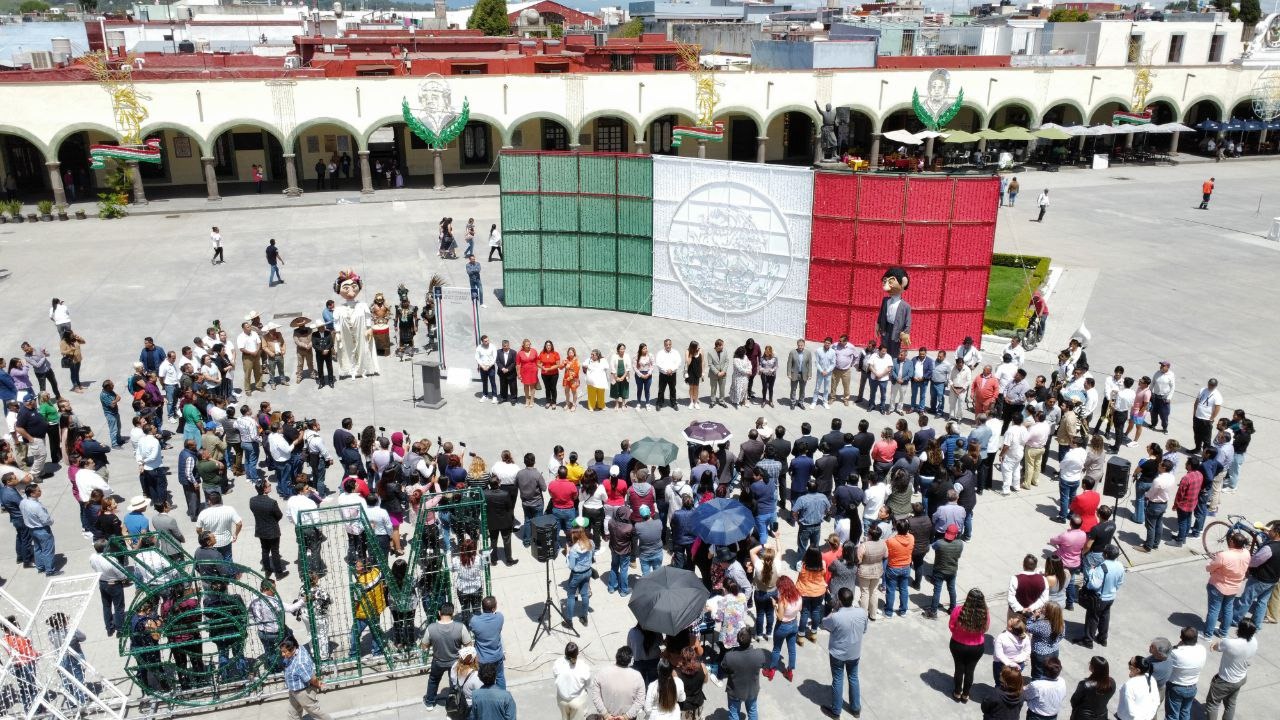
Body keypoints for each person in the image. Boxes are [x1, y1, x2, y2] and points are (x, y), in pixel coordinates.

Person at [821, 587, 868, 719]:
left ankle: (836, 711)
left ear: (840, 601)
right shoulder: (862, 613)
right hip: (854, 652)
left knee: (838, 679)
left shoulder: (836, 616)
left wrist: (833, 610)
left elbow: (825, 623)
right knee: (853, 677)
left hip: (838, 654)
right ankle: (855, 708)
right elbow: (864, 630)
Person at [1203, 618, 1256, 720]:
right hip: (1241, 678)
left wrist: (1215, 644)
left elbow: (1216, 647)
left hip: (1225, 681)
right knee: (1230, 703)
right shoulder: (1254, 642)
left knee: (1212, 704)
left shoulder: (1230, 643)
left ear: (1239, 630)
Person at [423, 602, 473, 709]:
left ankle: (429, 702)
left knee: (433, 680)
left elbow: (424, 646)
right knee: (454, 684)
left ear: (439, 613)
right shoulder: (460, 627)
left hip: (438, 661)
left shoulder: (431, 628)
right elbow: (469, 644)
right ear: (452, 613)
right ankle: (453, 705)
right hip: (455, 662)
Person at [1204, 530, 1250, 638]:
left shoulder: (1224, 555)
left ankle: (1208, 634)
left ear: (1232, 542)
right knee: (1228, 609)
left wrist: (1212, 563)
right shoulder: (1246, 553)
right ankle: (1223, 633)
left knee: (1214, 610)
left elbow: (1209, 567)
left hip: (1218, 586)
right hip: (1234, 587)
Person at [1077, 544, 1124, 649]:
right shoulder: (1120, 565)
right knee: (1105, 617)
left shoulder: (1102, 568)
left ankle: (1088, 640)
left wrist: (1092, 571)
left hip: (1099, 598)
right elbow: (1120, 582)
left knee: (1092, 618)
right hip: (1111, 597)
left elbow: (1093, 585)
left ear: (1106, 554)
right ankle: (1102, 638)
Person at [721, 628, 769, 720]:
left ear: (738, 641)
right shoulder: (759, 654)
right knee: (752, 711)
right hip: (752, 690)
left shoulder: (729, 656)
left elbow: (724, 669)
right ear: (751, 639)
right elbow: (763, 664)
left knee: (734, 713)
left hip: (735, 691)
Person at [281, 637, 333, 720]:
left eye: (285, 652)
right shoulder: (299, 648)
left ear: (293, 648)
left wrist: (320, 685)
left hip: (302, 692)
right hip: (294, 689)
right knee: (293, 712)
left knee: (315, 711)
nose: (283, 655)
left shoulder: (300, 664)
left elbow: (311, 679)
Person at [590, 646, 645, 720]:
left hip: (608, 717)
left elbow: (595, 696)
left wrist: (605, 714)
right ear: (630, 660)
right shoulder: (637, 676)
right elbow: (640, 701)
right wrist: (626, 716)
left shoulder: (602, 673)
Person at [764, 575, 802, 681]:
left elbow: (780, 617)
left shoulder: (782, 600)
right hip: (794, 624)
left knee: (776, 649)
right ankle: (789, 671)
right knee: (792, 650)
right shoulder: (798, 595)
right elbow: (800, 608)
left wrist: (775, 605)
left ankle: (771, 671)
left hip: (782, 627)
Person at [1165, 626, 1206, 720]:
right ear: (1196, 638)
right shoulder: (1202, 649)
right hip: (1192, 687)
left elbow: (1166, 658)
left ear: (1181, 638)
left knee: (1172, 715)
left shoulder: (1176, 653)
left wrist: (1177, 646)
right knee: (1185, 712)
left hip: (1176, 687)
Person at [469, 596, 506, 689]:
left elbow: (471, 628)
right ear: (494, 608)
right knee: (500, 676)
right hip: (497, 656)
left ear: (482, 607)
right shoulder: (500, 617)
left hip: (482, 659)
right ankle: (502, 697)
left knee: (482, 680)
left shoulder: (474, 621)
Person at [1068, 656, 1115, 720]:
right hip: (1101, 716)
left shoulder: (1085, 685)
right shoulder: (1112, 683)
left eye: (1090, 663)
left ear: (1093, 668)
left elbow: (1074, 701)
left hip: (1083, 716)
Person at [563, 526, 593, 628]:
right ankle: (584, 617)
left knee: (571, 596)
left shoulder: (574, 550)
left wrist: (567, 555)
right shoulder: (590, 543)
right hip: (588, 572)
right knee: (584, 594)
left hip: (576, 574)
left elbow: (571, 566)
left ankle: (569, 621)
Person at [553, 641, 591, 720]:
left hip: (562, 700)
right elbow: (588, 684)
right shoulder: (583, 666)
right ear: (577, 653)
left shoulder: (557, 663)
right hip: (577, 700)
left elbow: (555, 676)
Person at [1116, 656, 1160, 720]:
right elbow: (1156, 701)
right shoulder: (1151, 678)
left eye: (1130, 663)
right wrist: (1148, 716)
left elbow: (1131, 712)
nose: (1128, 664)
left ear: (1137, 670)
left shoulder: (1129, 685)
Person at [1022, 656, 1066, 720]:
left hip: (1036, 717)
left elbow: (1025, 696)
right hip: (1053, 716)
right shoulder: (1062, 681)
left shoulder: (1037, 685)